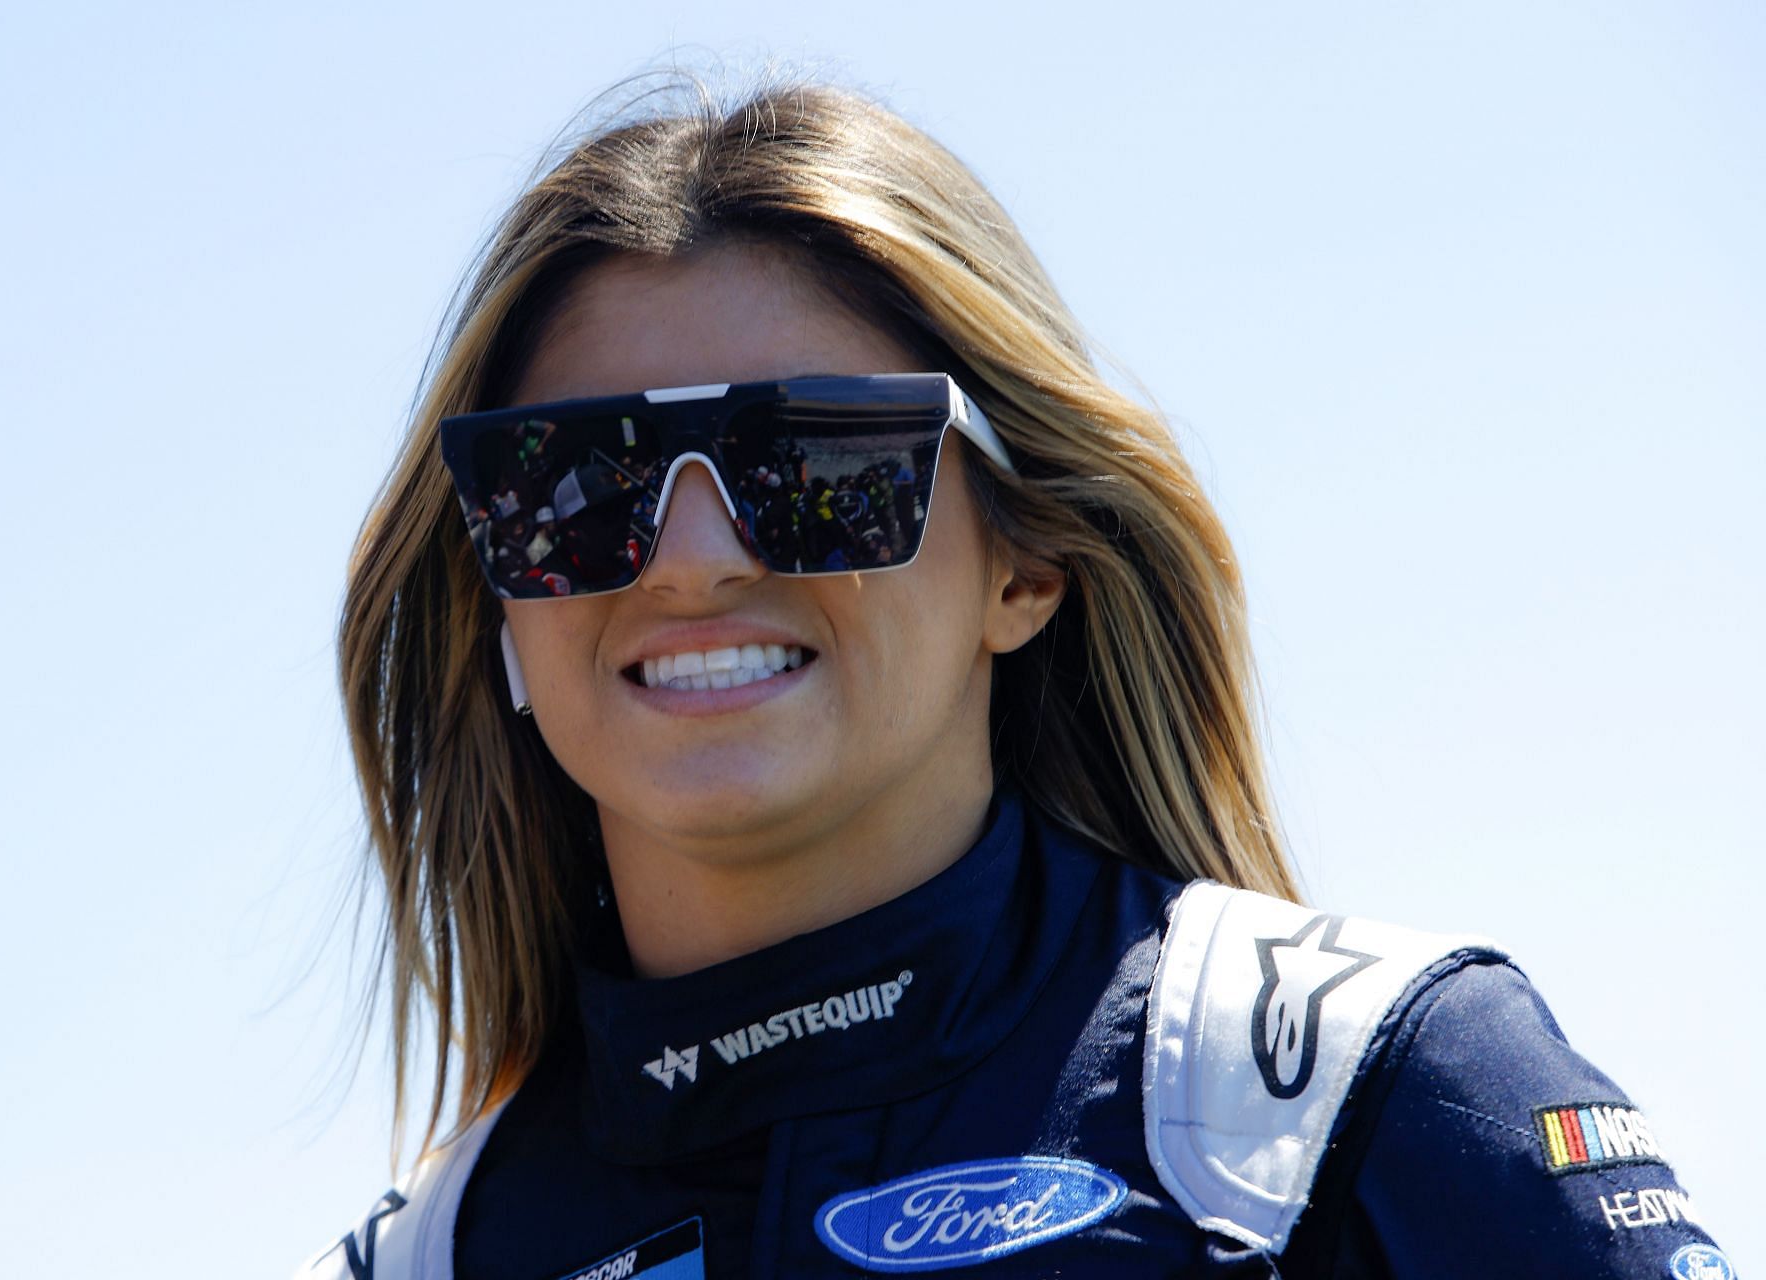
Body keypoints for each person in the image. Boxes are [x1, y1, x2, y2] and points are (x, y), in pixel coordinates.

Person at [300, 79, 1732, 1279]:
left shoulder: (1370, 1092)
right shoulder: (425, 1255)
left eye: (816, 463)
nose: (689, 558)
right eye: (571, 486)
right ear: (495, 579)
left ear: (1026, 567)